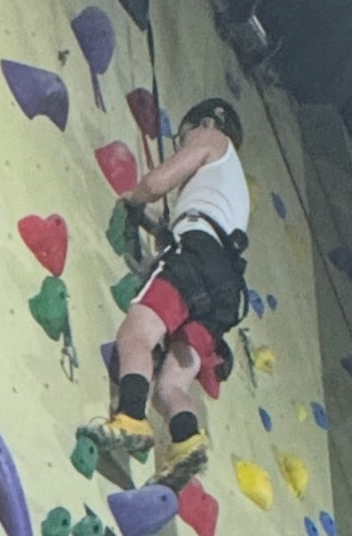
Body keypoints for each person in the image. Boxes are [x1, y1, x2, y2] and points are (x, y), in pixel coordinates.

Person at [78, 98, 250, 492]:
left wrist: (134, 199)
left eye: (183, 136)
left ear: (205, 122)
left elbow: (156, 184)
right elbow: (200, 223)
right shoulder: (233, 188)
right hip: (224, 292)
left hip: (193, 261)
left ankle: (131, 419)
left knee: (137, 332)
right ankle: (187, 440)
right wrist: (158, 226)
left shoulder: (212, 136)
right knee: (172, 386)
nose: (184, 144)